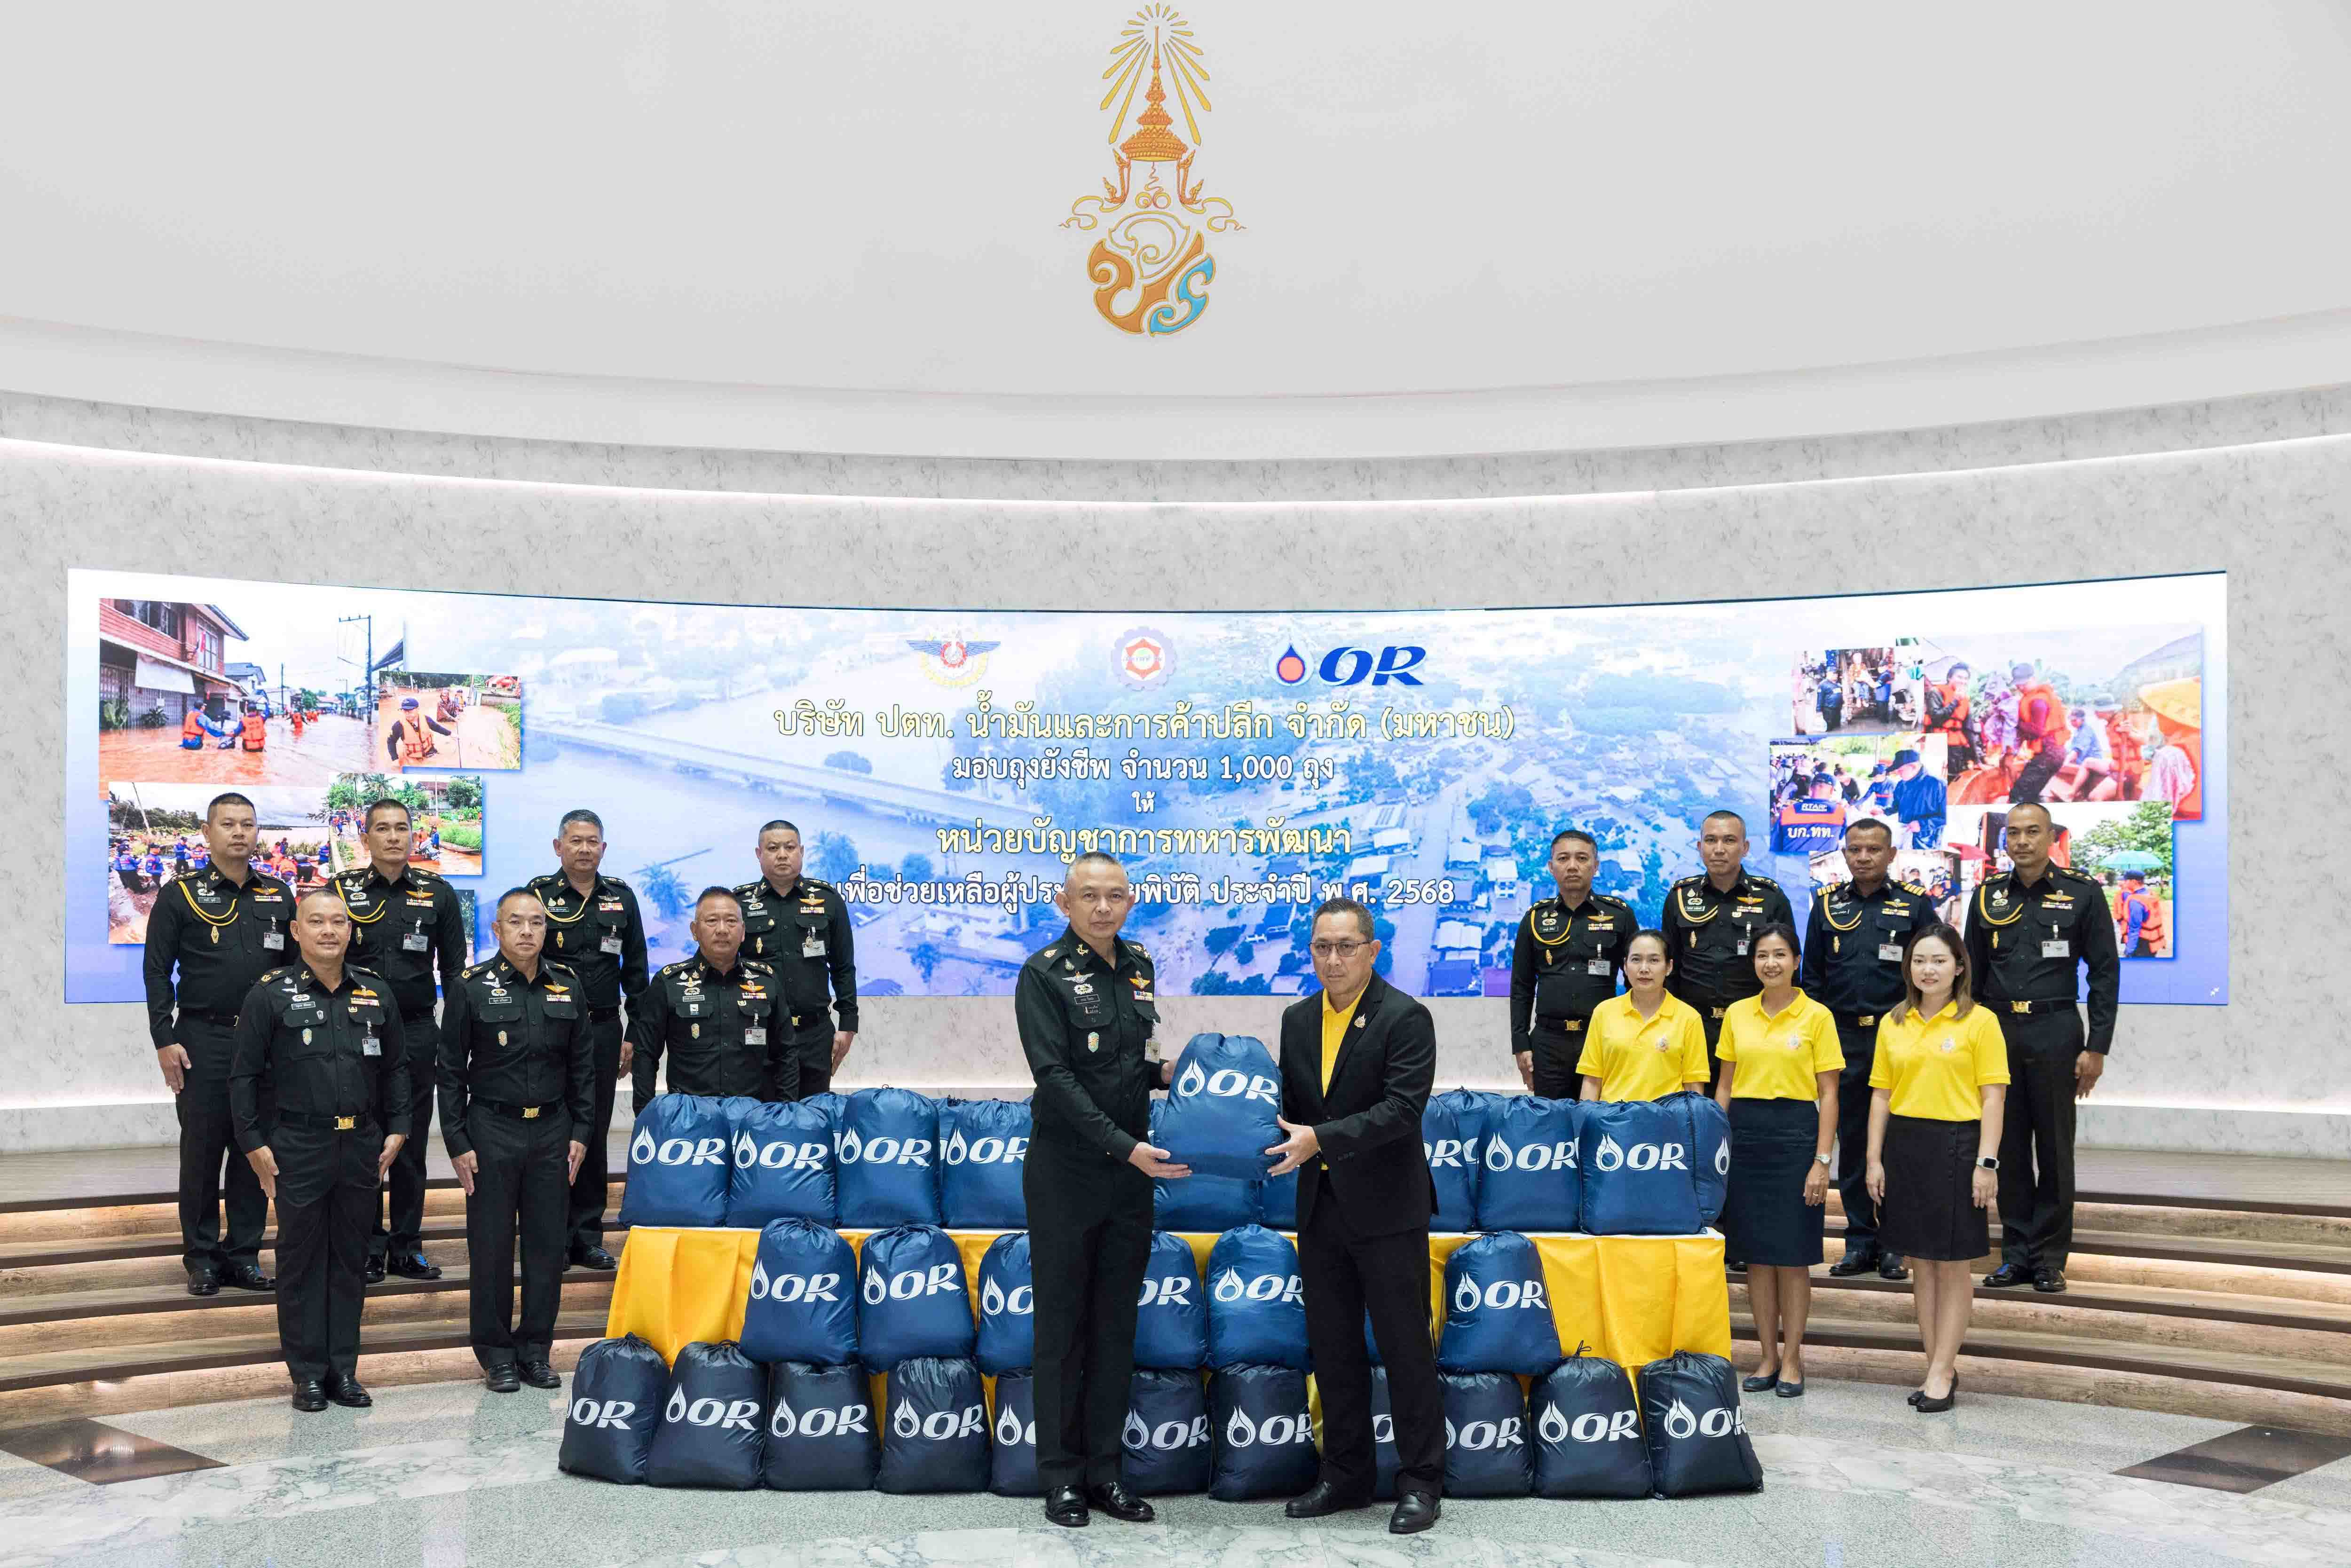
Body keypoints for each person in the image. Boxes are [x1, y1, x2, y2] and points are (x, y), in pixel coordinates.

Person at [1266, 897, 1444, 1536]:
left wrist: (1320, 1138)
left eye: (1346, 946)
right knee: (1334, 1349)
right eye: (1322, 946)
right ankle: (1345, 1473)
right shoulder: (1296, 1019)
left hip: (1389, 1210)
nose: (1333, 959)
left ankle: (1421, 1481)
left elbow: (1402, 1108)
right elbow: (1289, 1107)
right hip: (1320, 1208)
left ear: (1373, 950)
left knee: (1404, 1349)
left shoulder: (1405, 1016)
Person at [1015, 853, 1176, 1530]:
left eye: (1115, 895)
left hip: (1130, 1172)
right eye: (1089, 896)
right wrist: (1123, 1144)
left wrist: (1175, 1073)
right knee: (1062, 1327)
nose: (1103, 907)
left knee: (1115, 1323)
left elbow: (1137, 1058)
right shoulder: (1043, 973)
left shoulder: (1138, 964)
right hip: (1067, 1170)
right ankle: (1061, 1477)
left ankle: (1106, 1472)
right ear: (1065, 902)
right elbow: (1054, 1076)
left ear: (1130, 901)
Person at [229, 888, 411, 1412]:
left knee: (352, 1258)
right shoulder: (269, 994)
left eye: (338, 921)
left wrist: (399, 1128)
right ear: (296, 930)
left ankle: (343, 1370)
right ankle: (307, 1373)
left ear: (351, 931)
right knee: (301, 1259)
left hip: (361, 1144)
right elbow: (242, 1077)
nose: (329, 930)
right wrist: (253, 1144)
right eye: (317, 921)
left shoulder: (376, 992)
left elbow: (398, 1067)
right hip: (298, 1145)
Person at [440, 888, 593, 1393]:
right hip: (492, 1130)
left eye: (536, 922)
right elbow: (449, 1070)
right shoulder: (470, 987)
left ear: (547, 929)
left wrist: (581, 1131)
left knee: (547, 1247)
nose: (527, 930)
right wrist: (457, 1138)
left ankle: (535, 1350)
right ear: (497, 929)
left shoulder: (568, 985)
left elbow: (582, 1067)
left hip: (553, 1131)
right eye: (515, 922)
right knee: (491, 1246)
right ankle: (496, 1354)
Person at [142, 793, 295, 1299]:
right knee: (203, 1152)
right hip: (203, 1039)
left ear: (257, 833)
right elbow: (156, 970)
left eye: (247, 824)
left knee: (256, 1149)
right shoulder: (179, 895)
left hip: (265, 1044)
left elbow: (294, 973)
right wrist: (164, 1038)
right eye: (228, 824)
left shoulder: (279, 895)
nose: (239, 832)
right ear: (207, 833)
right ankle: (203, 1258)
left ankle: (244, 1254)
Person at [1964, 801, 2119, 1294]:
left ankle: (2049, 1259)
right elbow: (1971, 975)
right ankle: (2015, 1255)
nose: (2022, 841)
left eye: (2032, 831)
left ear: (2051, 837)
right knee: (2007, 1146)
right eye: (2013, 833)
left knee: (2053, 1147)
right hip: (1998, 1031)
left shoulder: (2081, 892)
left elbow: (2104, 972)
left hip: (2055, 1029)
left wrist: (2096, 1046)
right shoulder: (1986, 895)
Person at [1865, 924, 2008, 1412]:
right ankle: (1936, 1365)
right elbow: (1880, 1095)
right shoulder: (1894, 1021)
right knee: (1920, 1264)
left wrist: (1986, 1163)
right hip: (1905, 1147)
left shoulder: (1981, 1022)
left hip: (1957, 1146)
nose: (1928, 969)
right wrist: (1873, 1159)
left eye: (1939, 960)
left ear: (1959, 966)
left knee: (1952, 1265)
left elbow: (1993, 1098)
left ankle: (1943, 1369)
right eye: (1919, 960)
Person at [333, 797, 468, 1284]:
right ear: (365, 836)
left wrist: (456, 1038)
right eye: (382, 828)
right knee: (364, 1140)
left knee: (409, 1143)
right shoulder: (341, 890)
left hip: (416, 1030)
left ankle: (407, 1245)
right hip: (355, 1031)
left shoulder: (438, 893)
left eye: (401, 828)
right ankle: (368, 1245)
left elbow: (454, 972)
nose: (393, 836)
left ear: (414, 835)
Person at [1801, 819, 1938, 1281]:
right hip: (1843, 1041)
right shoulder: (1826, 905)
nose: (1863, 857)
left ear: (1891, 853)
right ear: (1844, 854)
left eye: (1873, 849)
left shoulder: (1915, 904)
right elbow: (1813, 977)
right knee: (1855, 1142)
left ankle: (1896, 1243)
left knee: (1898, 1144)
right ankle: (1860, 1241)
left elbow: (1933, 969)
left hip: (1897, 1038)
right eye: (1855, 849)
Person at [1715, 923, 1841, 1398]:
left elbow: (1829, 1093)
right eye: (1762, 955)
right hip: (1745, 1137)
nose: (1771, 963)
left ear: (1796, 961)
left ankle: (1792, 1359)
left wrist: (1821, 1160)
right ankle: (1767, 1355)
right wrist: (1716, 1146)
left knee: (1792, 1257)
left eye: (1780, 954)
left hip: (1796, 1138)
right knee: (1756, 1258)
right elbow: (1724, 1086)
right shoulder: (1737, 1013)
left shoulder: (1817, 1016)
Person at [529, 810, 650, 1271]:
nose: (584, 848)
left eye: (592, 841)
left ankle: (587, 1236)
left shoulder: (621, 897)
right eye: (575, 840)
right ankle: (552, 1238)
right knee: (551, 1132)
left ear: (603, 848)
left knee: (593, 1131)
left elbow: (636, 970)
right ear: (558, 846)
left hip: (603, 1030)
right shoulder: (539, 895)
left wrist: (633, 1034)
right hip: (549, 1031)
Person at [1661, 811, 1796, 1094]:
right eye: (1711, 840)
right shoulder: (1680, 897)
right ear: (1700, 847)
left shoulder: (1770, 897)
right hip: (1694, 1027)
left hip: (1754, 1028)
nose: (1719, 849)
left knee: (1750, 1105)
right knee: (1694, 1110)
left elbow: (1788, 970)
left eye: (1729, 840)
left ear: (1745, 848)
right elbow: (1669, 970)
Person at [629, 888, 796, 1112]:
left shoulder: (767, 982)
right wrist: (646, 1115)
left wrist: (785, 1112)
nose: (722, 930)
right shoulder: (668, 983)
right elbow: (646, 1056)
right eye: (712, 921)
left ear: (743, 931)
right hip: (690, 1116)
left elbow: (787, 1054)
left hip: (753, 1116)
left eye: (731, 921)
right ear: (694, 931)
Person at [734, 820, 859, 1098]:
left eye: (790, 848)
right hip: (758, 1033)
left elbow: (843, 967)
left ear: (801, 851)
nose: (782, 855)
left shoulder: (827, 899)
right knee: (760, 1115)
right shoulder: (739, 904)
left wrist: (848, 1025)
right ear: (759, 854)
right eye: (773, 848)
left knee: (813, 1116)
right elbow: (726, 969)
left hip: (814, 1035)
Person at [1508, 830, 1634, 1098]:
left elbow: (1636, 980)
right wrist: (1520, 1043)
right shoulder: (1535, 918)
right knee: (1551, 1118)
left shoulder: (1619, 915)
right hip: (1548, 1043)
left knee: (1602, 1117)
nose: (1573, 866)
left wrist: (1635, 1035)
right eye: (1563, 858)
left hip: (1603, 1038)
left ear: (1595, 866)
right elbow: (1521, 986)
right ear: (1551, 867)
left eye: (1582, 858)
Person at [1576, 930, 1710, 1102]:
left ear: (1669, 967)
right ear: (1625, 966)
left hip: (1666, 1117)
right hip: (1612, 1116)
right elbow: (1592, 1081)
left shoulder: (1689, 1018)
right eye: (1636, 959)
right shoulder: (1604, 1012)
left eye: (1654, 960)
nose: (1644, 969)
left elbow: (1694, 1088)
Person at [1887, 749, 1946, 849]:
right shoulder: (1901, 785)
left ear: (1914, 767)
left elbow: (1945, 817)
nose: (1898, 774)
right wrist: (1884, 811)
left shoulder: (1938, 785)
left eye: (1901, 771)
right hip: (1904, 837)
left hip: (1927, 843)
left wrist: (1922, 825)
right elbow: (1896, 806)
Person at [383, 696, 454, 766]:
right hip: (412, 755)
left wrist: (450, 734)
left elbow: (437, 728)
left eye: (410, 710)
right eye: (405, 711)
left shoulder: (426, 719)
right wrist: (395, 759)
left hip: (430, 752)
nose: (407, 713)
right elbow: (391, 741)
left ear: (418, 709)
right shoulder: (398, 726)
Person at [2119, 872, 2167, 957]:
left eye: (2126, 881)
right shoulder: (2151, 895)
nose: (2124, 883)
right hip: (2153, 942)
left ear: (2134, 882)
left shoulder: (2136, 901)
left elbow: (2135, 928)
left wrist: (2129, 950)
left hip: (2141, 944)